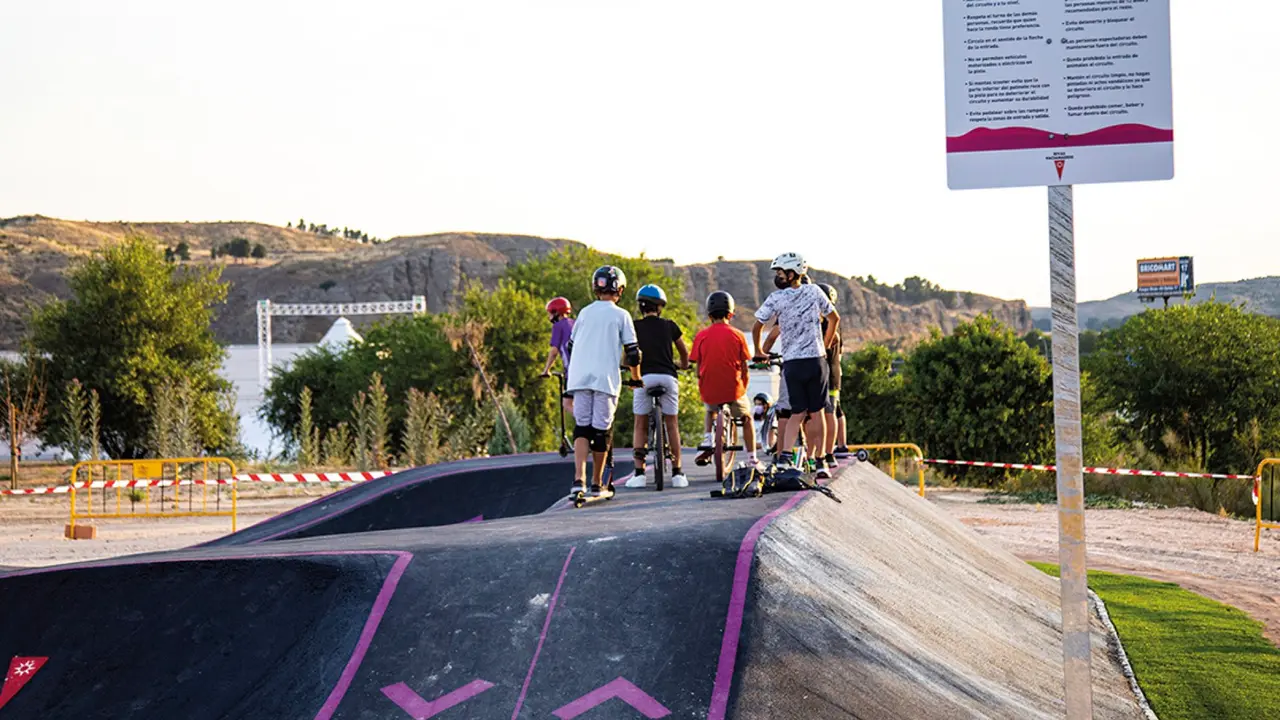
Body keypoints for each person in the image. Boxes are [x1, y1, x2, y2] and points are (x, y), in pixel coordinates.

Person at [751, 252, 839, 478]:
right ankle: (821, 461)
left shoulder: (775, 298)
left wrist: (759, 351)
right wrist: (826, 345)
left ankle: (784, 458)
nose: (778, 276)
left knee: (796, 413)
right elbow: (834, 319)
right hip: (816, 361)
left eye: (781, 272)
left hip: (792, 363)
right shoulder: (814, 291)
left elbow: (757, 326)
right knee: (817, 412)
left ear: (792, 273)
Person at [565, 266, 640, 497]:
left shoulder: (584, 313)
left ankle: (578, 480)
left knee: (582, 427)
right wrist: (636, 378)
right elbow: (633, 353)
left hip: (579, 378)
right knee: (601, 431)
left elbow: (570, 346)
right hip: (604, 379)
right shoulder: (621, 315)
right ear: (620, 289)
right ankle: (597, 483)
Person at [628, 284, 690, 488]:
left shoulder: (634, 327)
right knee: (672, 424)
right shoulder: (669, 325)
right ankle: (678, 473)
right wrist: (684, 364)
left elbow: (629, 354)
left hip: (644, 378)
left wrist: (625, 366)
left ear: (641, 307)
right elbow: (683, 351)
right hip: (667, 378)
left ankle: (639, 474)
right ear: (660, 307)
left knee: (640, 424)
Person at [690, 291, 761, 469]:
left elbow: (698, 369)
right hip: (733, 389)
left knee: (710, 410)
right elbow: (744, 368)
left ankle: (708, 438)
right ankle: (752, 458)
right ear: (730, 314)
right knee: (746, 418)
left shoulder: (701, 336)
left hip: (710, 389)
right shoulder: (738, 335)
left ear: (709, 316)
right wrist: (743, 387)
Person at [817, 282, 843, 469]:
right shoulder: (835, 325)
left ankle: (824, 453)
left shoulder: (822, 323)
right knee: (830, 413)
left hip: (824, 374)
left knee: (824, 413)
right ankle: (828, 453)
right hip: (834, 374)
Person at [541, 296, 575, 417]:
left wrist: (546, 370)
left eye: (550, 313)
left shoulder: (558, 326)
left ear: (556, 312)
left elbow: (554, 351)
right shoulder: (574, 323)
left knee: (567, 404)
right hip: (584, 370)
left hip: (572, 372)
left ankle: (585, 423)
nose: (549, 316)